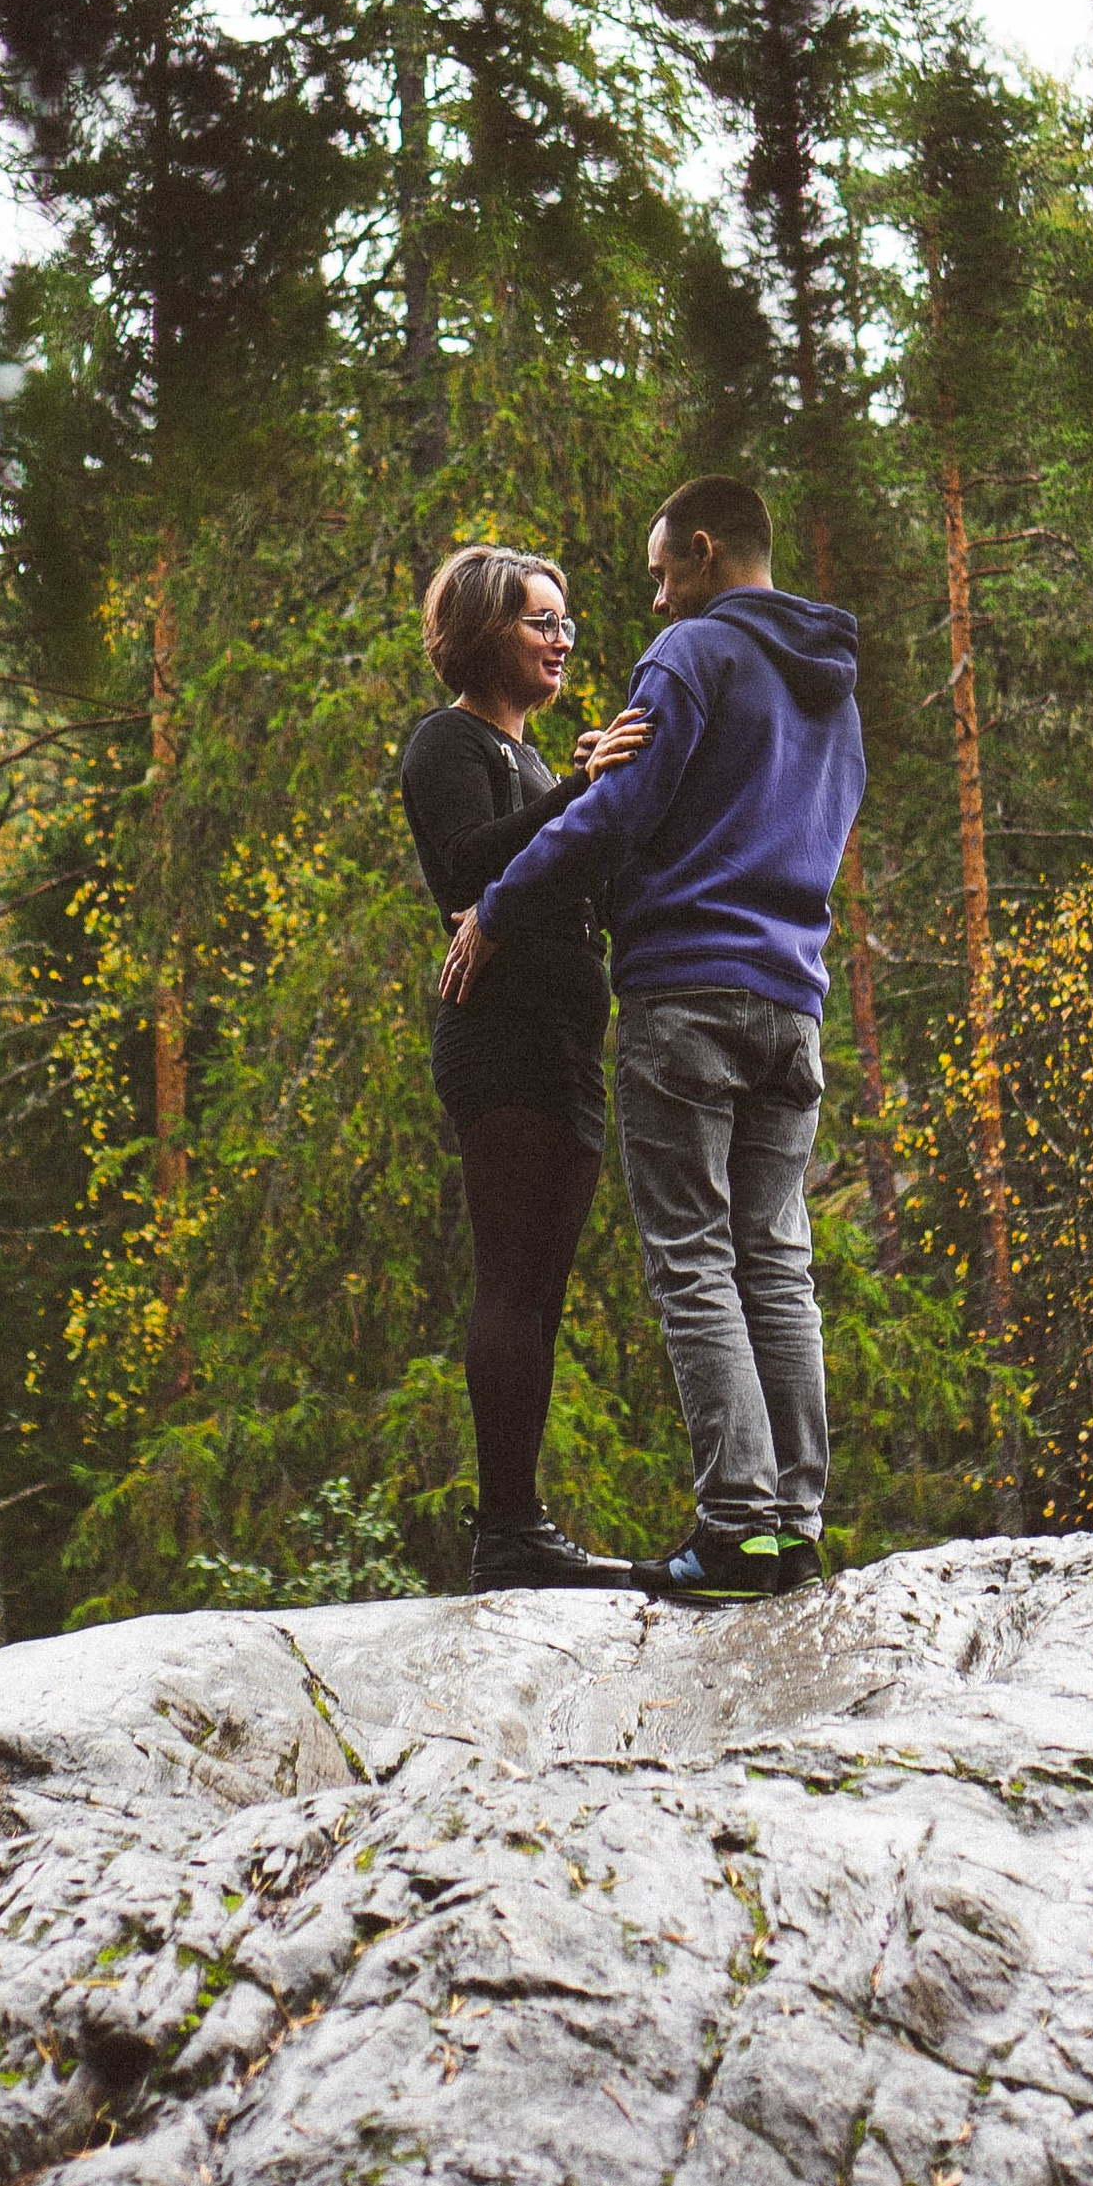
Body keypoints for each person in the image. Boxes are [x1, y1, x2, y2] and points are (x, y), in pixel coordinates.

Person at [440, 476, 864, 1608]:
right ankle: (794, 1525)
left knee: (692, 1258)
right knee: (777, 1260)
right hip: (794, 1001)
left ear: (705, 548)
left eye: (660, 572)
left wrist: (498, 908)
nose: (657, 599)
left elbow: (621, 816)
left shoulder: (692, 657)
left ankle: (734, 1529)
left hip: (687, 998)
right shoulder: (831, 689)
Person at [400, 544, 657, 1592]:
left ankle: (522, 1526)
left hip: (564, 1051)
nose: (558, 640)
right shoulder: (443, 742)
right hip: (497, 1043)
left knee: (540, 1292)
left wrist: (596, 798)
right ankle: (506, 1528)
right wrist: (578, 795)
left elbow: (565, 877)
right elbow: (468, 865)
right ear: (478, 631)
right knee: (508, 1282)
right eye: (535, 621)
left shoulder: (544, 765)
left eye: (564, 624)